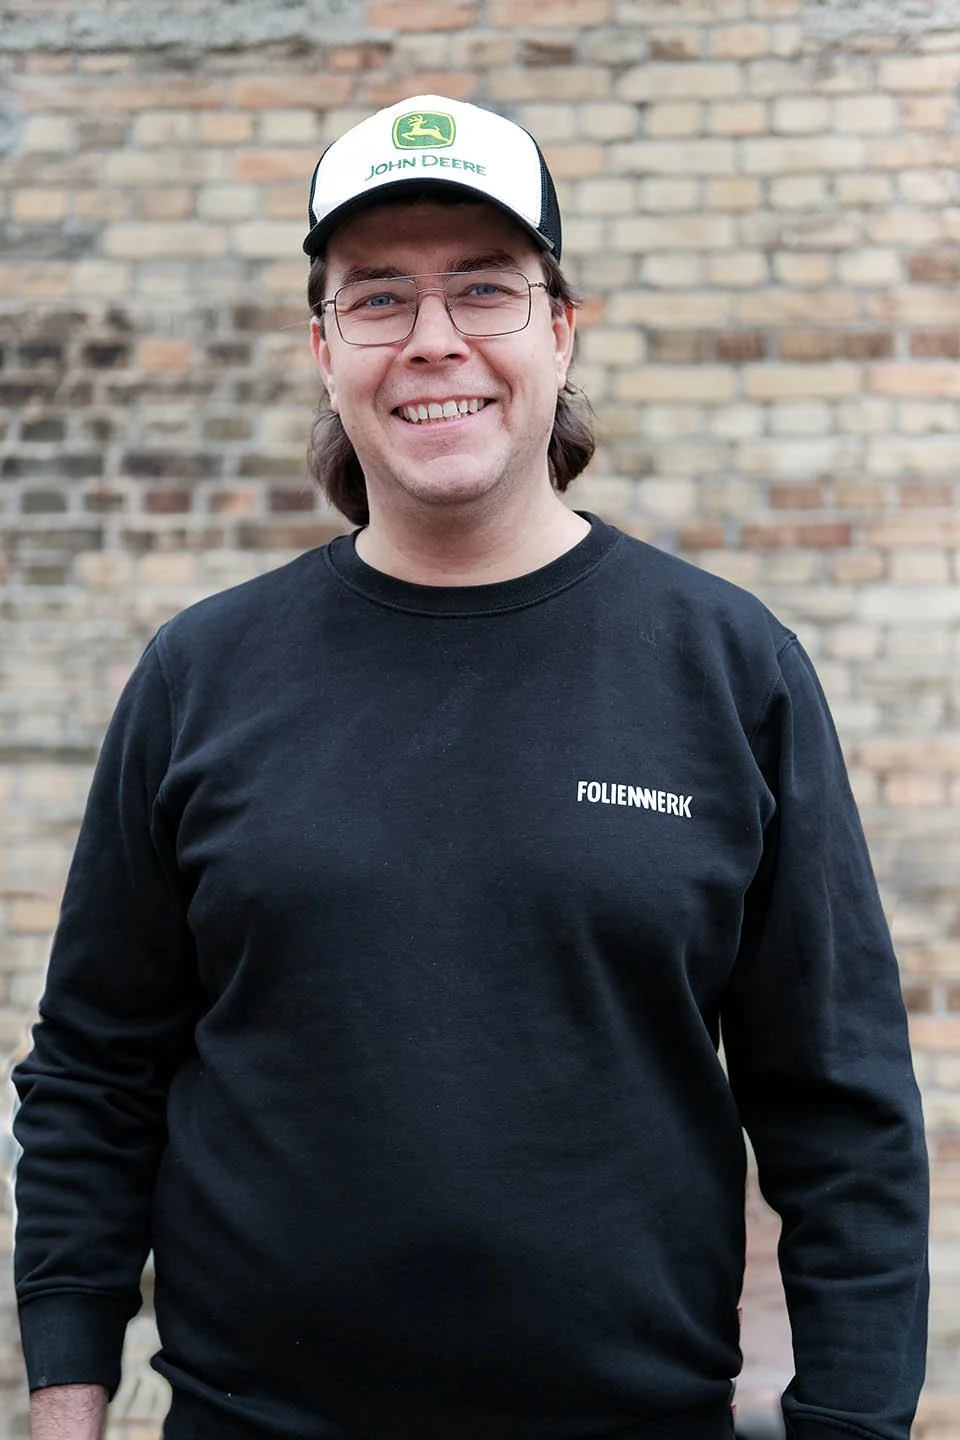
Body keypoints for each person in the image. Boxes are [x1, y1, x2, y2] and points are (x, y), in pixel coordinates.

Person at [12, 93, 928, 1440]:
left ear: (560, 328)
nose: (434, 341)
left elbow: (840, 1102)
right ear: (324, 349)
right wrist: (67, 1392)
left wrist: (852, 1419)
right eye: (377, 300)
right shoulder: (202, 673)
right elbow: (96, 1064)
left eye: (485, 292)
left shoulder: (726, 668)